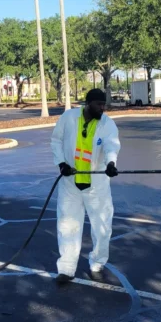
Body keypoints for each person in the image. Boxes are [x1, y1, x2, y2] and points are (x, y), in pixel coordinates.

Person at [50, 89, 121, 285]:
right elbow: (56, 140)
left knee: (102, 227)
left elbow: (111, 146)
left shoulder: (107, 123)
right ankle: (66, 269)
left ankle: (97, 264)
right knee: (67, 226)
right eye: (98, 104)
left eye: (104, 104)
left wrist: (111, 163)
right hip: (70, 183)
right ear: (88, 103)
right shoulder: (69, 118)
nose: (102, 108)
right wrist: (61, 163)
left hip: (96, 186)